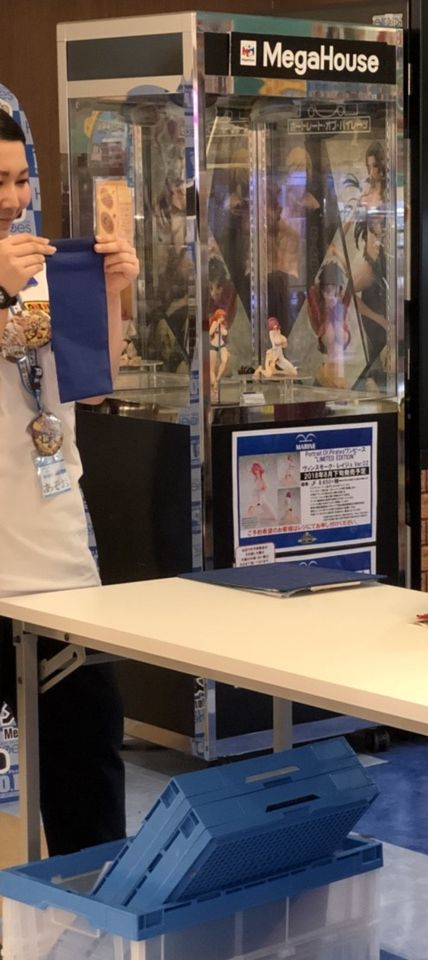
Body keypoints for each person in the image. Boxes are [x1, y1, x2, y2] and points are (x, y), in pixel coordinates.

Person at [0, 108, 139, 855]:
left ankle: (94, 914)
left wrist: (113, 293)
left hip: (60, 576)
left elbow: (87, 384)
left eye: (21, 179)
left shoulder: (45, 274)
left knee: (89, 785)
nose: (13, 197)